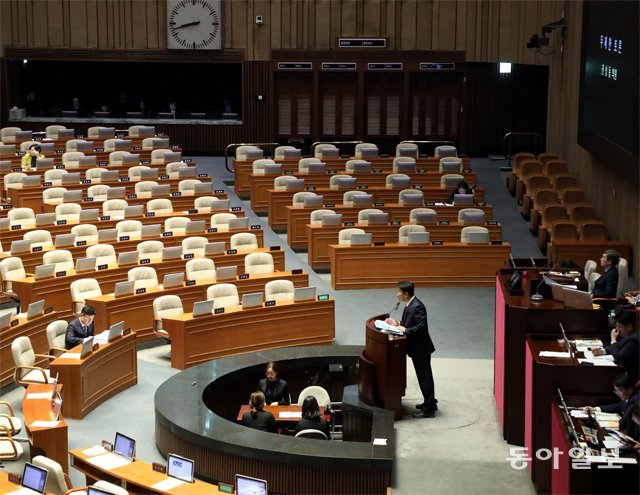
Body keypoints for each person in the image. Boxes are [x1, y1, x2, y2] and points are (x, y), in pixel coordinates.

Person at [385, 281, 437, 418]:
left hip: (421, 349)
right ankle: (429, 402)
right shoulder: (409, 305)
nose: (397, 294)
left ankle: (429, 409)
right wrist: (398, 324)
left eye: (398, 292)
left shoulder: (417, 306)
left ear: (406, 294)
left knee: (425, 377)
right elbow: (409, 323)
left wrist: (404, 329)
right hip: (417, 348)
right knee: (423, 376)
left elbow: (421, 327)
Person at [592, 309, 639, 382]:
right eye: (616, 326)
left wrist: (613, 339)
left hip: (632, 377)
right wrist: (602, 351)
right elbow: (618, 346)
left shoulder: (633, 340)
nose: (617, 330)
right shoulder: (628, 335)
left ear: (629, 326)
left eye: (620, 327)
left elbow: (618, 357)